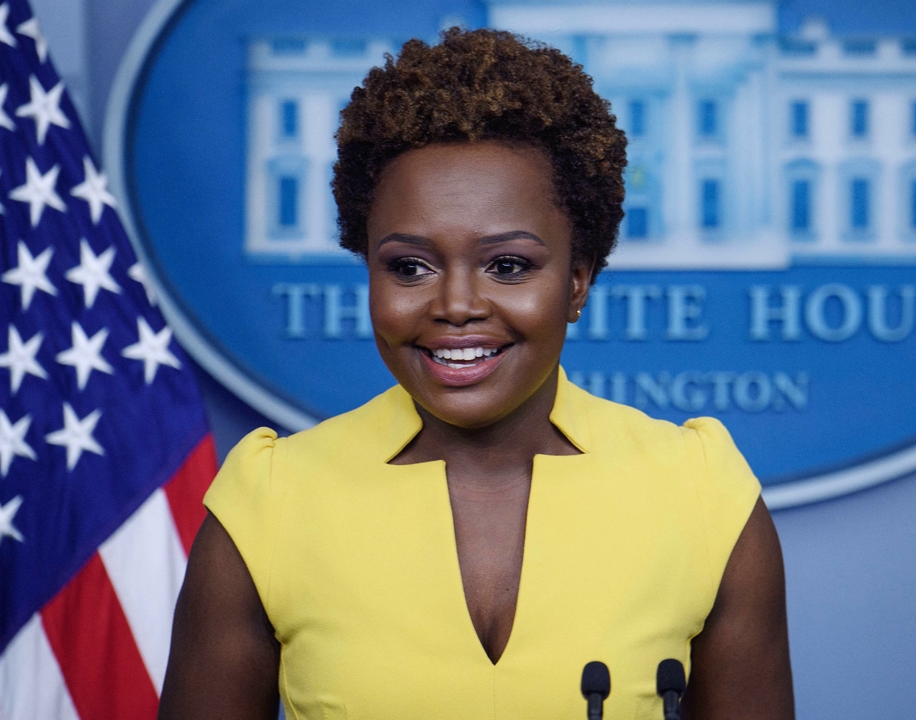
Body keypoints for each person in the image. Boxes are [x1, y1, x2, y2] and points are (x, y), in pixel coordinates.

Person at [158, 28, 793, 720]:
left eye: (509, 265)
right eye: (410, 267)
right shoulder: (269, 503)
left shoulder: (703, 496)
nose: (456, 305)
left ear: (578, 281)